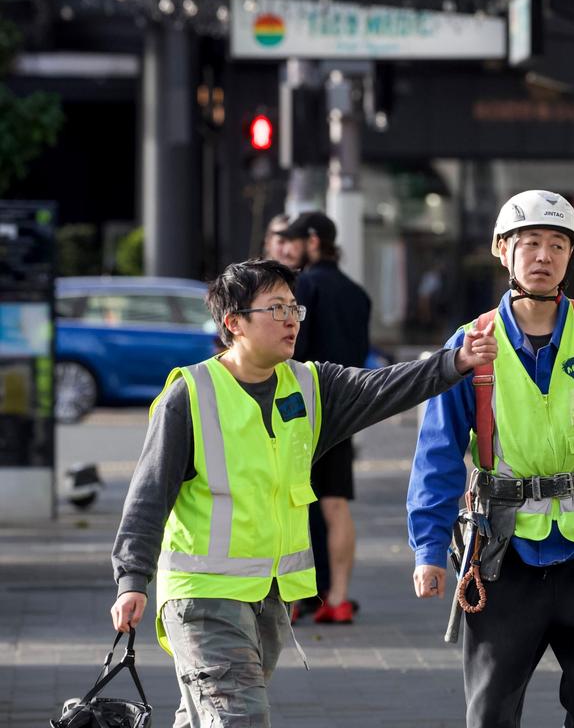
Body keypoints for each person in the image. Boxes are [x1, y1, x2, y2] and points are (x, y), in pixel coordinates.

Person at [110, 258, 497, 727]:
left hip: (269, 597)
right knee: (239, 716)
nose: (291, 319)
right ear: (234, 323)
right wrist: (132, 579)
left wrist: (455, 361)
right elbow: (149, 495)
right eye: (275, 308)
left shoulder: (312, 386)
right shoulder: (190, 395)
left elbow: (382, 387)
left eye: (294, 307)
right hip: (203, 597)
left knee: (205, 717)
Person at [407, 190, 574, 728]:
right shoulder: (471, 342)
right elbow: (437, 453)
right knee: (490, 713)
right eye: (529, 242)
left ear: (570, 256)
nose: (543, 256)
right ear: (502, 250)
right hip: (503, 555)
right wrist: (428, 549)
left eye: (557, 244)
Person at [277, 211, 371, 624]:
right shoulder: (357, 293)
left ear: (312, 241)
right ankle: (339, 597)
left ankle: (294, 597)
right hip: (345, 408)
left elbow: (294, 351)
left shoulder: (305, 287)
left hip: (302, 408)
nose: (288, 248)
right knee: (336, 504)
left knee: (292, 502)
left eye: (294, 240)